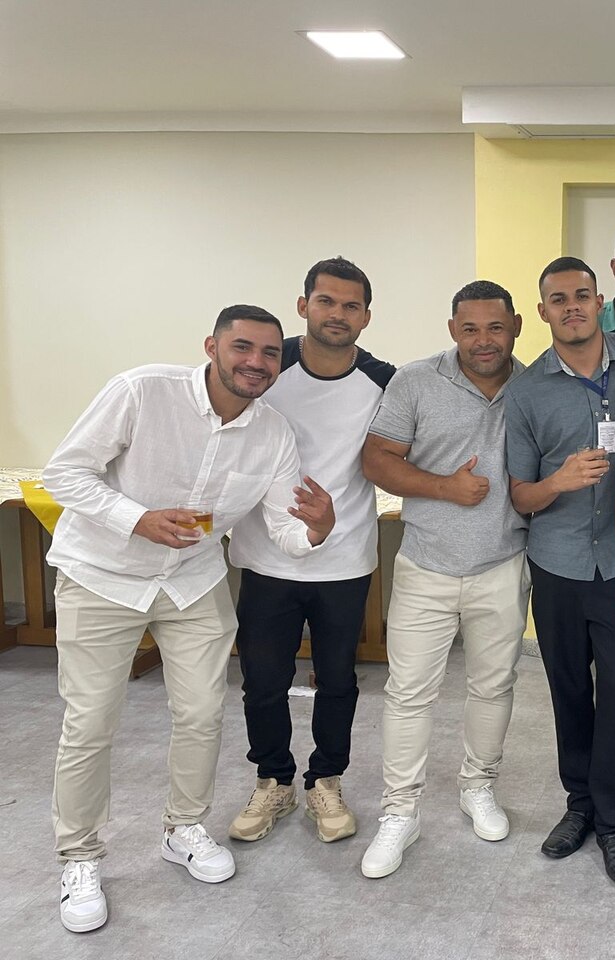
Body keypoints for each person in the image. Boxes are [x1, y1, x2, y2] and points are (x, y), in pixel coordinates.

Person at [43, 305, 336, 933]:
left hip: (191, 582)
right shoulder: (142, 391)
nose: (256, 362)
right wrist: (137, 519)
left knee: (202, 713)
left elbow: (283, 527)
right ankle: (80, 857)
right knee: (90, 722)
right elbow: (63, 474)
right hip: (102, 575)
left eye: (269, 353)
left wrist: (316, 530)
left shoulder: (273, 433)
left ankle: (184, 828)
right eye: (242, 347)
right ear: (211, 346)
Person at [359, 280, 529, 879]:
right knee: (409, 693)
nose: (483, 341)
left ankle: (478, 787)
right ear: (452, 329)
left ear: (516, 327)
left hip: (503, 564)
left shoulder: (533, 385)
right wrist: (444, 488)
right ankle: (399, 811)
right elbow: (376, 459)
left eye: (495, 328)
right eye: (470, 329)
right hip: (425, 565)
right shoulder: (414, 381)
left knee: (494, 686)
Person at [227, 257, 395, 845]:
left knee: (338, 680)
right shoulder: (267, 368)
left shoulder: (384, 381)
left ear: (366, 316)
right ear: (304, 306)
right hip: (266, 558)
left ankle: (326, 779)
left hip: (344, 560)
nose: (337, 314)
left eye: (351, 306)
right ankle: (273, 779)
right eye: (326, 301)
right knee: (263, 680)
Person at [504, 256, 615, 886]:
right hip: (559, 565)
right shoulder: (526, 391)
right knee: (568, 687)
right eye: (559, 298)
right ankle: (580, 805)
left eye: (582, 295)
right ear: (542, 311)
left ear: (601, 302)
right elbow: (520, 496)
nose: (572, 306)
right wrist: (558, 482)